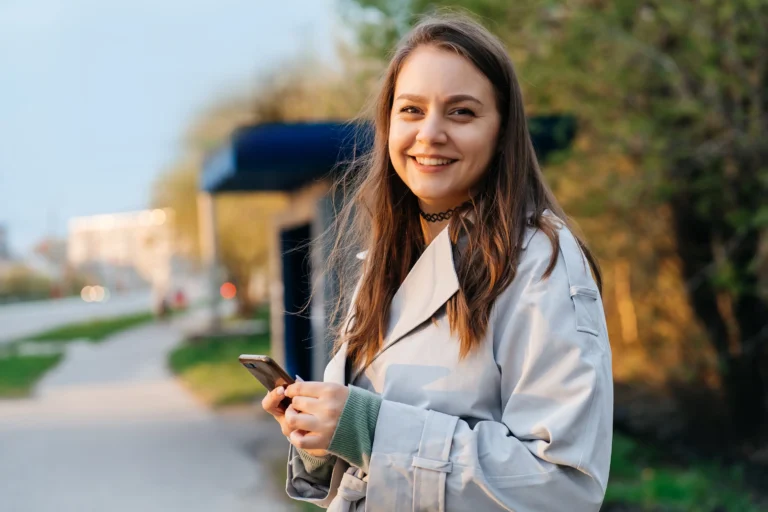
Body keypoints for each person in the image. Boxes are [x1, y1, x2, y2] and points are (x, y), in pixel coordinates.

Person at [262, 13, 613, 512]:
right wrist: (323, 439)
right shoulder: (388, 257)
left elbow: (560, 487)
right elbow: (380, 479)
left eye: (461, 113)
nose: (430, 133)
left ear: (502, 131)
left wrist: (370, 428)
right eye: (411, 110)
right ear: (388, 126)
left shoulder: (541, 262)